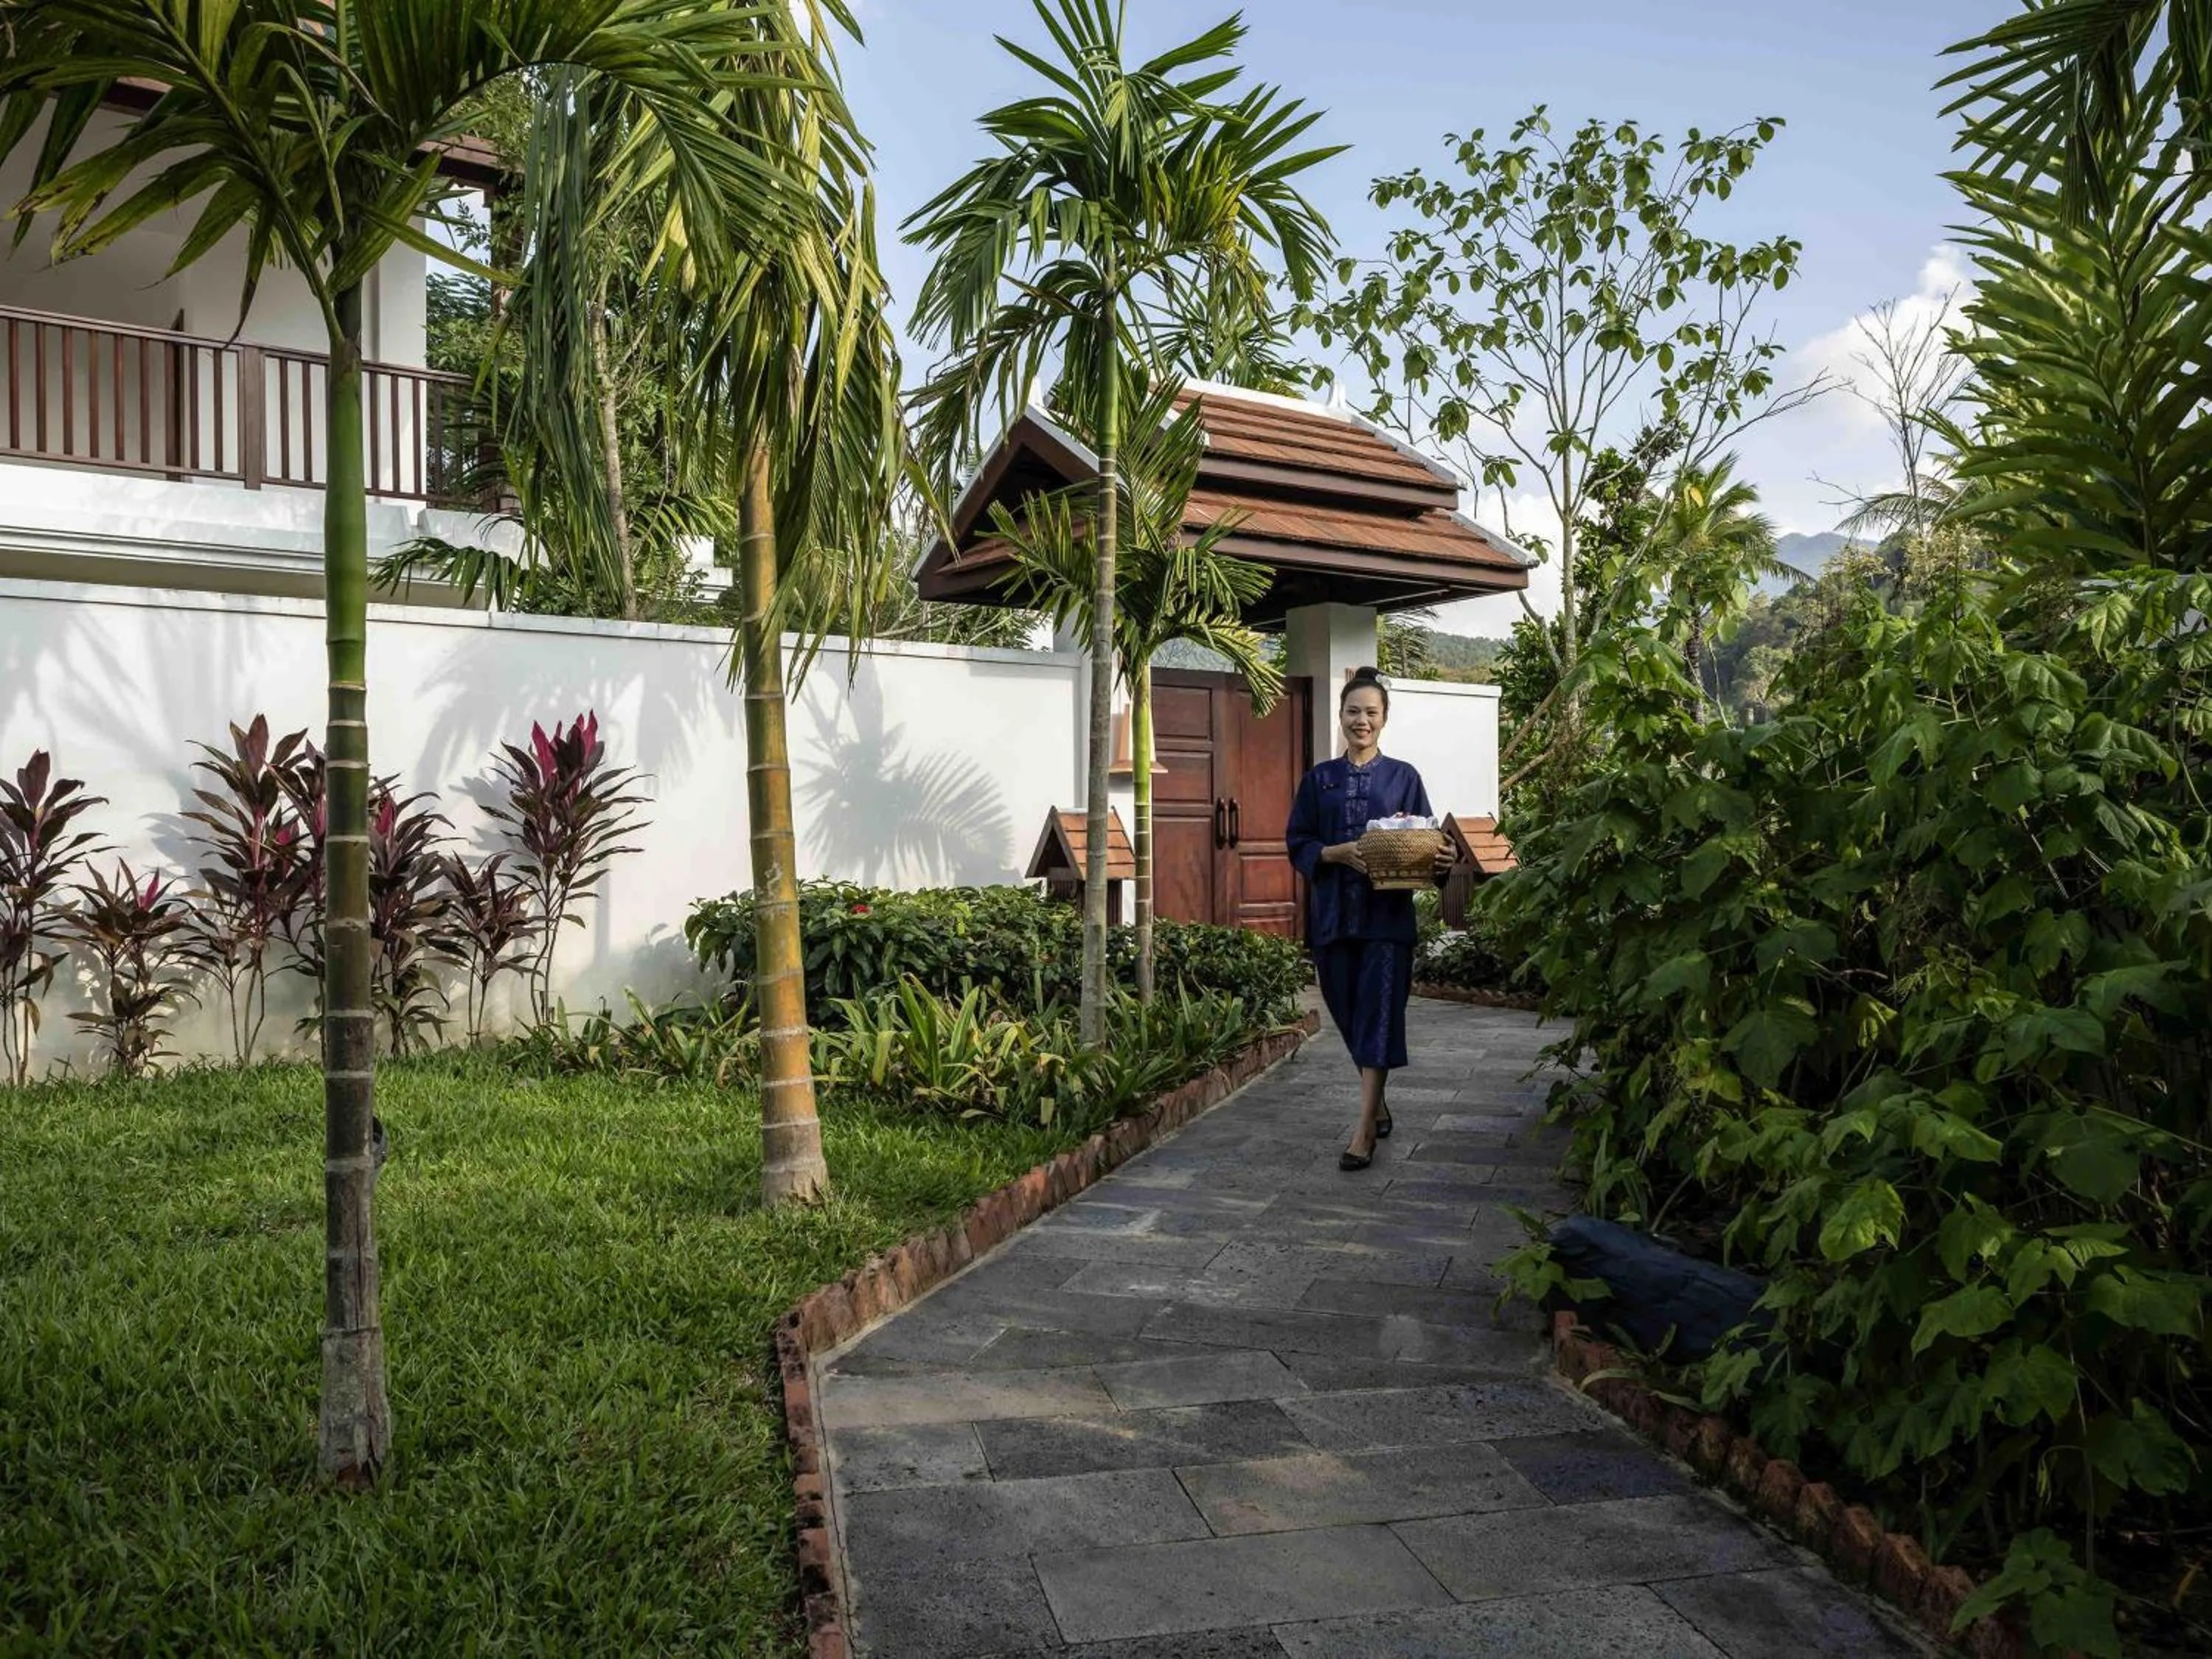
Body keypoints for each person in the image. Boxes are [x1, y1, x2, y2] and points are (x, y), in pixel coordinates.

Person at [1284, 667, 1454, 1170]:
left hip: (1387, 920)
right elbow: (1298, 842)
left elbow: (1426, 842)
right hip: (1333, 918)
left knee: (1379, 1014)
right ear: (1340, 716)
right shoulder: (1319, 780)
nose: (1362, 720)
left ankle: (1362, 1132)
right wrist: (1334, 853)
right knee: (1346, 1012)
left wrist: (1441, 860)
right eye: (1354, 711)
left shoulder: (1405, 777)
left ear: (1384, 719)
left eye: (1372, 713)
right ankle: (1376, 1103)